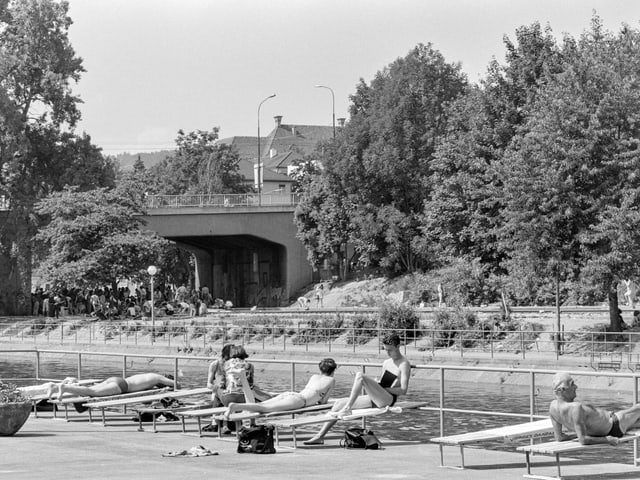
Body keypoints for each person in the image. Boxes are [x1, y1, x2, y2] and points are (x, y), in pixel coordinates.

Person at [304, 333, 411, 445]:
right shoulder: (386, 362)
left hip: (388, 399)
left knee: (360, 375)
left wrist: (383, 389)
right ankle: (319, 436)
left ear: (398, 347)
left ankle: (348, 408)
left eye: (390, 350)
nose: (388, 353)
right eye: (386, 350)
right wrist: (377, 384)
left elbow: (403, 390)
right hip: (378, 395)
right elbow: (384, 382)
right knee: (338, 404)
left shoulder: (404, 364)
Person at [224, 358, 337, 418]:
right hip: (299, 401)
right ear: (333, 370)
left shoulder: (314, 376)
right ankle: (235, 406)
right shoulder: (331, 380)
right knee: (263, 408)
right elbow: (323, 402)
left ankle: (242, 376)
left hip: (292, 394)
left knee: (260, 406)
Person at [549, 372, 640, 445]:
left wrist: (577, 434)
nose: (576, 386)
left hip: (610, 427)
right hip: (615, 424)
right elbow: (583, 440)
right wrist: (607, 440)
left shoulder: (553, 407)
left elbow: (559, 437)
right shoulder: (575, 408)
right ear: (563, 390)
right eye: (572, 384)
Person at [50, 372, 177, 399]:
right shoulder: (158, 378)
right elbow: (176, 384)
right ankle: (64, 388)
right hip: (122, 386)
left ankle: (54, 387)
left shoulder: (150, 376)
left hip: (117, 379)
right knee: (91, 392)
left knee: (92, 389)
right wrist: (173, 386)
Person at [204, 343, 233, 432]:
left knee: (230, 397)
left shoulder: (234, 365)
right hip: (218, 391)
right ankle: (221, 424)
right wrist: (216, 388)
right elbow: (208, 384)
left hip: (230, 391)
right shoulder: (215, 364)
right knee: (221, 397)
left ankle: (219, 424)